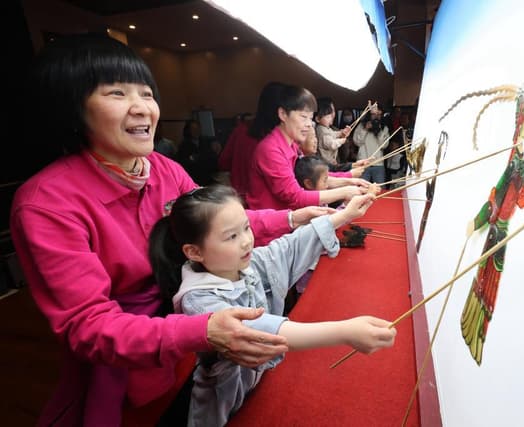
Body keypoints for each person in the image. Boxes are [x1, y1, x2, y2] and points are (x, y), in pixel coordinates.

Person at [9, 33, 329, 426]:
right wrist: (202, 331)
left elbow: (218, 223)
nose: (142, 107)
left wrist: (294, 219)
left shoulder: (163, 169)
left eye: (146, 93)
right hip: (126, 357)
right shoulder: (46, 202)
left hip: (192, 333)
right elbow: (89, 324)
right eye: (117, 93)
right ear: (72, 107)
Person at [148, 186, 397, 426]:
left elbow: (288, 248)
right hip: (222, 400)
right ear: (194, 252)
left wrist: (345, 215)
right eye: (232, 236)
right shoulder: (198, 300)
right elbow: (259, 330)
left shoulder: (247, 262)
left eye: (246, 227)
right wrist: (345, 332)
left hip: (253, 383)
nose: (246, 241)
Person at [439, 73, 524, 365]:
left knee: (486, 287)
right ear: (521, 117)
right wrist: (478, 221)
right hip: (496, 237)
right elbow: (499, 198)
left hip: (498, 238)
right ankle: (472, 332)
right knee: (484, 287)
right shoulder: (515, 162)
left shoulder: (519, 162)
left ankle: (474, 333)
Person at [246, 84, 371, 210]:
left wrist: (350, 181)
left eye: (310, 118)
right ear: (283, 114)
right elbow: (295, 196)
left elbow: (317, 177)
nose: (309, 125)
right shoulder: (271, 149)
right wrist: (344, 191)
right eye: (303, 117)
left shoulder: (292, 145)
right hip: (273, 218)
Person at [217, 82, 285, 205]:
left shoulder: (241, 130)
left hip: (239, 199)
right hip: (269, 204)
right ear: (282, 110)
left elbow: (223, 162)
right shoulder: (279, 136)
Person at [352, 105, 390, 184]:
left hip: (378, 164)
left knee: (379, 188)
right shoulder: (361, 126)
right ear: (369, 115)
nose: (376, 117)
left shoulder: (384, 128)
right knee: (362, 187)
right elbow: (357, 142)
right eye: (374, 114)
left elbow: (384, 145)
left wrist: (379, 131)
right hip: (363, 163)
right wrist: (365, 129)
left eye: (379, 114)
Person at [314, 97, 351, 166]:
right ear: (318, 119)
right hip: (325, 163)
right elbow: (332, 144)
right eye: (327, 116)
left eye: (333, 111)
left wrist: (341, 133)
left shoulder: (328, 128)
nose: (331, 116)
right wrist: (342, 140)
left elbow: (333, 134)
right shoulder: (321, 130)